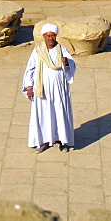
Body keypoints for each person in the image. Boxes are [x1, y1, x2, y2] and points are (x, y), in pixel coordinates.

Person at [22, 24, 76, 152]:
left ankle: (61, 140)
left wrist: (66, 63)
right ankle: (42, 141)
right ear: (44, 37)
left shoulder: (62, 49)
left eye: (53, 35)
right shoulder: (37, 50)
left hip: (59, 88)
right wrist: (29, 87)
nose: (51, 38)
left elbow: (72, 65)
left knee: (59, 112)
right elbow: (30, 68)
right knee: (43, 113)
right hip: (42, 89)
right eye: (48, 36)